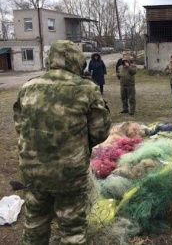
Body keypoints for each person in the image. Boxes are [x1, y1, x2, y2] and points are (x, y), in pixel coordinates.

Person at [13, 40, 111, 245]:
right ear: (77, 61)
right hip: (69, 174)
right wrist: (78, 143)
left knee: (35, 223)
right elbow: (100, 132)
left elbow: (20, 127)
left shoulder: (28, 88)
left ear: (50, 60)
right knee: (72, 230)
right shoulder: (87, 89)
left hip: (33, 172)